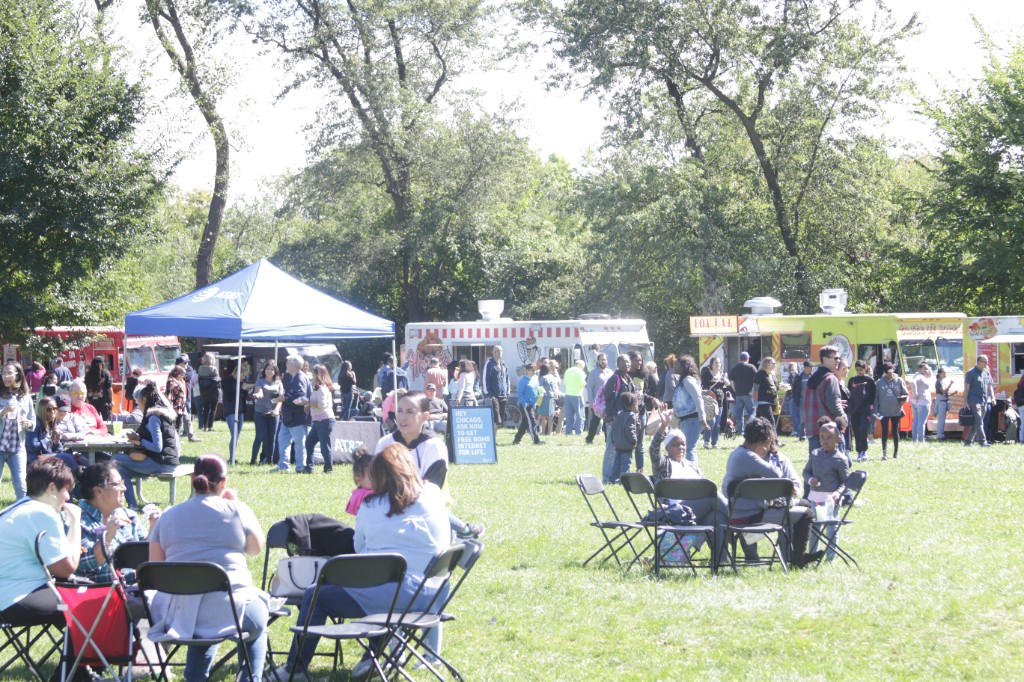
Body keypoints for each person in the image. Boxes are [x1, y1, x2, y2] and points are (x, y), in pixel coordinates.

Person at [278, 444, 450, 680]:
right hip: (436, 596)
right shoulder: (433, 495)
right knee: (378, 586)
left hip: (397, 597)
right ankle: (373, 656)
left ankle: (295, 669)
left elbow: (359, 549)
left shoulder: (371, 506)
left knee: (315, 595)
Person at [148, 455, 268, 682]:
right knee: (258, 616)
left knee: (203, 612)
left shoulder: (168, 515)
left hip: (177, 613)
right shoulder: (237, 510)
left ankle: (194, 678)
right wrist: (236, 504)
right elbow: (255, 549)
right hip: (228, 607)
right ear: (224, 483)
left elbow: (155, 567)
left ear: (192, 479)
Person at [722, 417, 822, 568]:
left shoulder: (737, 453)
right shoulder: (748, 456)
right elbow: (776, 475)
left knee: (803, 504)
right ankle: (797, 560)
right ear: (765, 440)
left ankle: (791, 554)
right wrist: (787, 487)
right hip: (749, 516)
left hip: (742, 512)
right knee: (806, 514)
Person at [0, 459, 81, 633]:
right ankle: (77, 660)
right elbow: (67, 568)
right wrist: (75, 524)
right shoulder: (43, 512)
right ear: (52, 488)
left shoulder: (15, 508)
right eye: (66, 490)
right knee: (84, 602)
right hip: (15, 599)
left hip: (8, 596)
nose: (68, 497)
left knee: (77, 592)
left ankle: (78, 657)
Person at [648, 412, 729, 564]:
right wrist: (663, 426)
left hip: (695, 512)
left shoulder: (692, 465)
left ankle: (720, 562)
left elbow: (703, 484)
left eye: (683, 444)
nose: (680, 447)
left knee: (717, 517)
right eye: (675, 444)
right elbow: (653, 451)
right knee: (712, 496)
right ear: (667, 447)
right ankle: (738, 522)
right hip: (676, 512)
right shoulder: (663, 465)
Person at [75, 462, 153, 584]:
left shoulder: (128, 515)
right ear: (99, 491)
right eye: (118, 484)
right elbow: (85, 565)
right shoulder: (78, 521)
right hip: (103, 594)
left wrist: (154, 526)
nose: (124, 488)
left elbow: (144, 553)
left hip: (137, 587)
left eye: (123, 483)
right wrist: (107, 536)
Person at [115, 380, 180, 510]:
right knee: (121, 470)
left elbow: (157, 447)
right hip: (168, 461)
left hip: (162, 463)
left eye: (137, 402)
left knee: (114, 459)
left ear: (144, 399)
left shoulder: (153, 418)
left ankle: (132, 504)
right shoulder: (162, 414)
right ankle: (133, 505)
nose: (137, 405)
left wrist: (139, 440)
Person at [802, 422, 849, 561]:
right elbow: (806, 471)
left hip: (831, 500)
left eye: (829, 437)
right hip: (815, 498)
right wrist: (810, 480)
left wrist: (838, 493)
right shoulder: (815, 454)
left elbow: (846, 481)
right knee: (814, 529)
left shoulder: (840, 459)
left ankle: (830, 558)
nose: (825, 441)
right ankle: (812, 555)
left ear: (838, 439)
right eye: (822, 437)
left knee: (831, 530)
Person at [800, 345, 846, 454]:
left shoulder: (811, 378)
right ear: (824, 359)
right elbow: (833, 404)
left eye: (839, 358)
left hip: (812, 428)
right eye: (835, 358)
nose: (838, 361)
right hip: (830, 430)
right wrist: (843, 419)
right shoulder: (830, 378)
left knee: (817, 466)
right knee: (841, 463)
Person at [1, 361, 36, 499]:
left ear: (18, 375)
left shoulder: (25, 397)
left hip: (17, 447)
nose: (5, 376)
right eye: (3, 373)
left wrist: (29, 423)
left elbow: (32, 420)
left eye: (9, 373)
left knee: (21, 485)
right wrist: (2, 412)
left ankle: (22, 515)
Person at [26, 396, 87, 472]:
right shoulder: (35, 424)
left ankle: (78, 480)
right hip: (35, 460)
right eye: (49, 409)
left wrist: (56, 441)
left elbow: (58, 449)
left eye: (54, 409)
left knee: (72, 457)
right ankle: (81, 479)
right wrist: (50, 441)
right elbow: (32, 446)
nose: (52, 412)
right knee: (68, 458)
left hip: (47, 456)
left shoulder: (51, 424)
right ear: (42, 410)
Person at [273, 355, 313, 473]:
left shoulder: (300, 377)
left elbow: (299, 396)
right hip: (289, 417)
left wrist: (284, 398)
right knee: (283, 441)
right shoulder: (293, 377)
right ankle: (283, 466)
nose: (286, 364)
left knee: (300, 445)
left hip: (298, 418)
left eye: (288, 362)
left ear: (294, 365)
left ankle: (300, 467)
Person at [600, 355, 634, 483]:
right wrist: (610, 419)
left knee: (620, 449)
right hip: (614, 419)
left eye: (628, 361)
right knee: (611, 449)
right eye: (624, 361)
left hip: (625, 420)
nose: (627, 364)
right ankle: (607, 478)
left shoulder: (628, 379)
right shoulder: (614, 379)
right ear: (618, 363)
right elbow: (608, 400)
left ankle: (617, 477)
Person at [627, 351, 659, 473]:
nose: (639, 362)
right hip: (628, 412)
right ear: (630, 361)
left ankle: (640, 470)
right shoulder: (626, 374)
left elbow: (644, 393)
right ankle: (626, 469)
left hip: (641, 411)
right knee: (629, 442)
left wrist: (652, 399)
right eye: (636, 360)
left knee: (640, 443)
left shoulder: (644, 374)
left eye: (640, 360)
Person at [673, 355, 708, 464]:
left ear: (684, 367)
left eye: (677, 364)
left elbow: (698, 398)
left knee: (689, 449)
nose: (674, 366)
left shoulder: (688, 380)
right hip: (686, 420)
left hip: (693, 419)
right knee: (687, 448)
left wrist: (702, 418)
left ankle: (693, 475)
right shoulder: (682, 380)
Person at [306, 365, 336, 474]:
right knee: (309, 443)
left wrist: (308, 403)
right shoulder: (318, 388)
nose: (312, 376)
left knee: (324, 445)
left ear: (317, 375)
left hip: (324, 420)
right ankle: (309, 467)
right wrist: (308, 405)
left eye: (313, 373)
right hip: (318, 421)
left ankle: (328, 469)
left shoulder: (322, 389)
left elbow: (322, 405)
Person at [251, 361, 282, 465]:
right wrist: (257, 395)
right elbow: (259, 392)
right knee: (260, 436)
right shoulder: (260, 381)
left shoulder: (278, 382)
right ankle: (253, 460)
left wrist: (276, 410)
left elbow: (281, 398)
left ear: (275, 371)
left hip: (273, 413)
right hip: (260, 412)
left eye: (272, 369)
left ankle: (270, 460)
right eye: (268, 369)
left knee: (272, 437)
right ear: (264, 370)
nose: (269, 371)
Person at [875, 362, 908, 460]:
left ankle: (896, 453)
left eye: (890, 371)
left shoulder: (899, 380)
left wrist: (903, 399)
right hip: (883, 411)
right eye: (887, 372)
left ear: (893, 370)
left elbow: (906, 394)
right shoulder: (880, 382)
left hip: (896, 411)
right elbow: (875, 398)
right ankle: (884, 453)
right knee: (884, 432)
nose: (889, 374)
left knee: (895, 431)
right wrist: (876, 411)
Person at [222, 361, 253, 464]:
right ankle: (232, 458)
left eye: (245, 376)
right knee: (234, 434)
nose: (244, 378)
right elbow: (230, 395)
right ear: (237, 372)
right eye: (243, 375)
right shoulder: (227, 381)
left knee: (237, 435)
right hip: (230, 410)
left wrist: (246, 390)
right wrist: (240, 388)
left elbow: (241, 397)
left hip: (240, 410)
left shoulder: (240, 383)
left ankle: (232, 457)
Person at [848, 360, 876, 461]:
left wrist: (871, 408)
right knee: (856, 431)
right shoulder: (852, 380)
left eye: (861, 369)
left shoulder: (870, 381)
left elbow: (873, 396)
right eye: (857, 370)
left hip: (865, 410)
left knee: (863, 429)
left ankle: (864, 450)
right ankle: (859, 451)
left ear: (865, 369)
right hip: (854, 410)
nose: (859, 372)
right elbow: (849, 394)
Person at [963, 355, 995, 447]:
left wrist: (992, 398)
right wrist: (965, 401)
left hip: (984, 400)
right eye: (985, 362)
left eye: (987, 361)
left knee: (977, 422)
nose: (987, 364)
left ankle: (968, 442)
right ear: (979, 362)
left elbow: (990, 386)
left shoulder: (986, 373)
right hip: (974, 400)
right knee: (979, 421)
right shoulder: (970, 373)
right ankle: (982, 441)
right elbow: (966, 388)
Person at [584, 352, 613, 445]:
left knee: (607, 421)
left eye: (605, 360)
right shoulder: (593, 373)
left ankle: (607, 439)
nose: (603, 361)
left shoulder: (611, 372)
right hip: (597, 402)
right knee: (595, 421)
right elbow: (589, 388)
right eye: (601, 360)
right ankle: (589, 439)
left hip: (608, 401)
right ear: (598, 361)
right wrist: (591, 402)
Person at [609, 393, 638, 482]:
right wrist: (634, 441)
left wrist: (613, 441)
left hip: (618, 444)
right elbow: (629, 430)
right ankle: (623, 481)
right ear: (633, 404)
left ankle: (612, 479)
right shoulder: (632, 416)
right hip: (627, 445)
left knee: (616, 463)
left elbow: (614, 428)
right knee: (626, 464)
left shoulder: (619, 414)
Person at [512, 364, 543, 446]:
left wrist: (540, 395)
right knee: (532, 422)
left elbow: (538, 389)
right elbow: (520, 393)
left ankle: (516, 440)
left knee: (525, 423)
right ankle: (536, 440)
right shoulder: (523, 380)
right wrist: (524, 403)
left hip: (533, 404)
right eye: (532, 370)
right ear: (527, 371)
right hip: (526, 405)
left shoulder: (535, 379)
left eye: (535, 370)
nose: (534, 372)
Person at [700, 357, 726, 448]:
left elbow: (725, 387)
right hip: (709, 402)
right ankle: (706, 441)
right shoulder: (707, 374)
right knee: (711, 422)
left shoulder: (723, 375)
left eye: (719, 362)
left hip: (720, 401)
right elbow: (702, 386)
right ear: (711, 364)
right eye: (716, 363)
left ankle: (714, 443)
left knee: (718, 424)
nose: (718, 364)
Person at [481, 346, 510, 428]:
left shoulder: (503, 364)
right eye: (497, 351)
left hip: (503, 395)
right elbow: (485, 379)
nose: (499, 352)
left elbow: (507, 378)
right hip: (493, 396)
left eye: (501, 350)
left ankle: (494, 438)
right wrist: (488, 394)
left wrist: (507, 392)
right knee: (495, 417)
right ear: (493, 353)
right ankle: (492, 438)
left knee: (499, 420)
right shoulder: (489, 363)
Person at [175, 355, 201, 443]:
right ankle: (177, 439)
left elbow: (187, 379)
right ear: (179, 364)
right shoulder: (173, 374)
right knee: (178, 420)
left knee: (187, 418)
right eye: (184, 363)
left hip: (184, 399)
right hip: (176, 401)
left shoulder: (187, 370)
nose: (187, 364)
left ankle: (191, 436)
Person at [729, 351, 757, 429]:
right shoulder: (752, 367)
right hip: (749, 395)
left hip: (738, 395)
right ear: (747, 358)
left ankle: (741, 431)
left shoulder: (734, 368)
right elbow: (756, 380)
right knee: (752, 413)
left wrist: (735, 390)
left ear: (740, 358)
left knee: (739, 415)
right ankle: (751, 429)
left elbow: (731, 381)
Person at [344, 450, 375, 517]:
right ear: (358, 478)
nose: (378, 479)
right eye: (373, 476)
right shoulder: (365, 495)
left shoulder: (357, 493)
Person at [909, 361, 933, 443]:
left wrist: (928, 368)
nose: (927, 370)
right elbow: (912, 382)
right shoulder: (920, 377)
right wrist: (915, 393)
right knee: (921, 422)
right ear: (919, 369)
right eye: (924, 369)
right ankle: (921, 440)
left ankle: (914, 439)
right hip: (923, 403)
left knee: (916, 421)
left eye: (927, 369)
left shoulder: (918, 375)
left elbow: (930, 374)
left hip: (916, 403)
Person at [197, 352, 222, 432]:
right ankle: (210, 426)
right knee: (213, 409)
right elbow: (217, 379)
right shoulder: (213, 369)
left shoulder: (200, 368)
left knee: (206, 408)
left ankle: (205, 426)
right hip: (213, 390)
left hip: (204, 390)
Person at [84, 356, 114, 422]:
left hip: (91, 401)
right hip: (104, 401)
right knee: (107, 421)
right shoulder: (106, 373)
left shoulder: (88, 375)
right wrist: (111, 400)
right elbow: (109, 389)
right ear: (102, 364)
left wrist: (86, 399)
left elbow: (86, 388)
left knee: (94, 421)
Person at [752, 356, 781, 422]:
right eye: (772, 363)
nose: (774, 364)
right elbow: (755, 389)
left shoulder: (773, 375)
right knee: (771, 421)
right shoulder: (760, 374)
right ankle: (773, 432)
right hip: (763, 401)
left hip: (773, 402)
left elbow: (776, 388)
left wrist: (781, 391)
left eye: (775, 363)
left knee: (761, 422)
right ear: (766, 364)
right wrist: (755, 403)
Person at [562, 360, 587, 435]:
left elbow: (565, 382)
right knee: (579, 414)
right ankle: (578, 432)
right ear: (582, 366)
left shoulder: (568, 370)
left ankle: (568, 431)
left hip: (568, 394)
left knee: (569, 415)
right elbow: (583, 383)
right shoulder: (581, 372)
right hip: (577, 395)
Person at [934, 366, 955, 441]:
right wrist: (950, 384)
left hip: (944, 401)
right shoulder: (938, 382)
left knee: (943, 419)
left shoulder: (942, 382)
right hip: (941, 402)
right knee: (941, 420)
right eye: (943, 373)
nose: (945, 374)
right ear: (939, 374)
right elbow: (943, 392)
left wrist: (952, 394)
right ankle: (939, 435)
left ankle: (941, 434)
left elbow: (945, 394)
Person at [536, 364, 558, 437]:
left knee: (543, 416)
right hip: (551, 398)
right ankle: (550, 432)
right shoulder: (553, 377)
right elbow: (555, 389)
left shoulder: (543, 378)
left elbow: (540, 389)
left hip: (544, 397)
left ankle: (543, 432)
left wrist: (538, 399)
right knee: (550, 416)